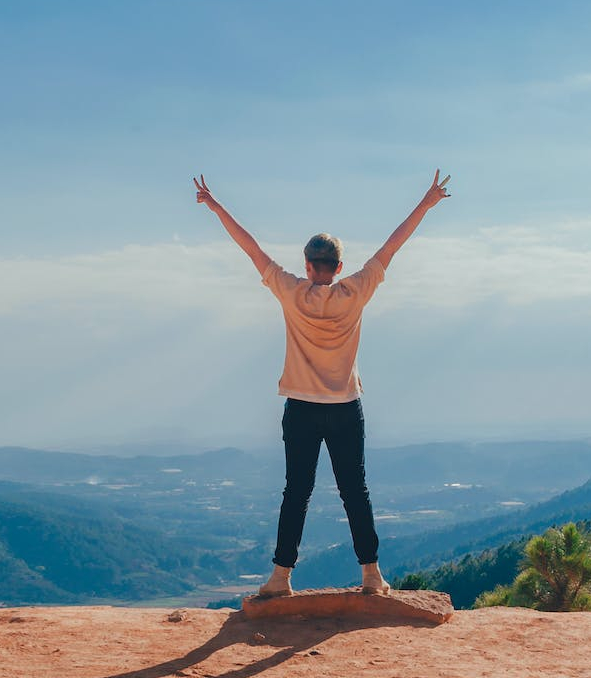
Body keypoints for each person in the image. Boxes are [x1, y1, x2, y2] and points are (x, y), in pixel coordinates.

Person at [193, 170, 452, 597]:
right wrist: (426, 202)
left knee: (296, 492)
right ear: (339, 267)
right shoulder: (356, 291)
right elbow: (392, 246)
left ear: (308, 265)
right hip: (346, 406)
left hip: (301, 407)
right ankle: (372, 576)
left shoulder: (291, 292)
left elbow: (251, 249)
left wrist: (217, 206)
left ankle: (281, 578)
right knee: (356, 491)